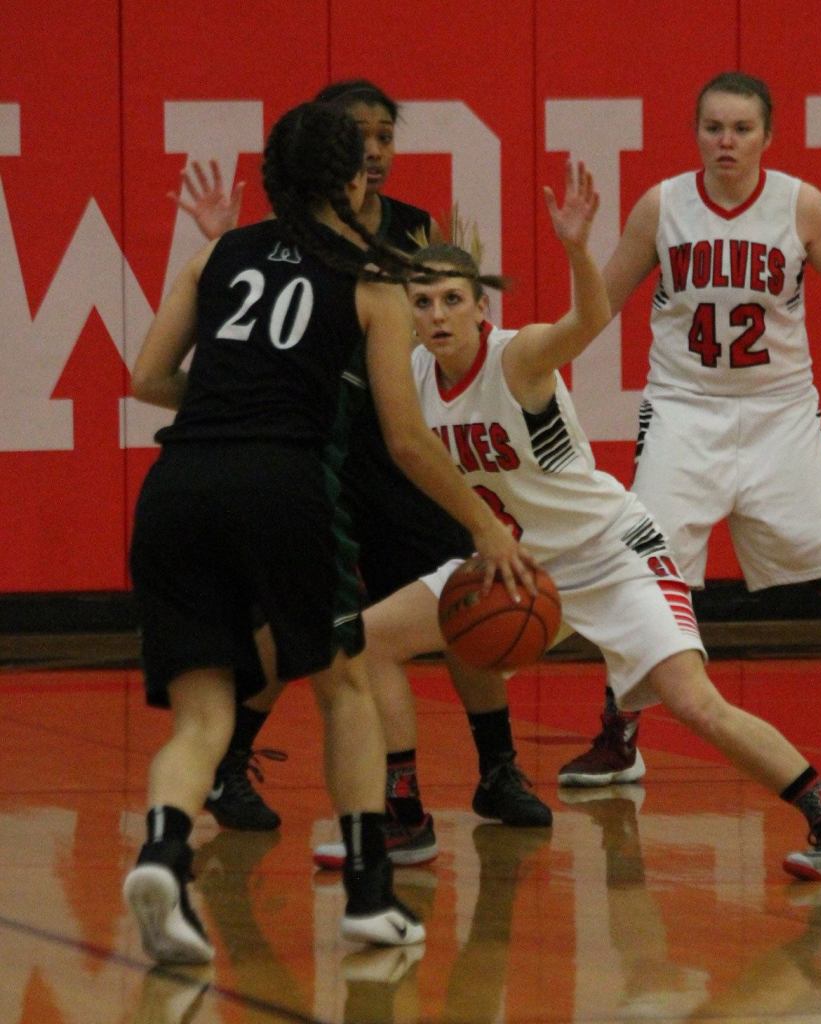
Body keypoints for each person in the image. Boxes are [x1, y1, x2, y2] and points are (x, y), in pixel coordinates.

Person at [359, 158, 821, 881]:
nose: (437, 315)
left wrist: (576, 249)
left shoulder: (520, 358)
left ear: (483, 308)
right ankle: (406, 816)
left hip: (613, 553)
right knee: (371, 641)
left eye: (453, 299)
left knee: (695, 704)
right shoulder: (409, 378)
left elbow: (591, 318)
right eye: (421, 303)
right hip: (518, 561)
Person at [122, 100, 532, 964]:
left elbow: (148, 376)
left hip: (177, 486)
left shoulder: (216, 252)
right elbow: (407, 439)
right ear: (351, 178)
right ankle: (370, 895)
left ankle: (162, 852)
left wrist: (237, 396)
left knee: (200, 719)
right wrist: (481, 524)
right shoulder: (371, 282)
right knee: (343, 686)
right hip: (283, 484)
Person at [558, 70, 821, 791]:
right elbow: (600, 306)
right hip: (683, 411)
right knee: (643, 572)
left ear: (768, 137)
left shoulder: (801, 206)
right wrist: (530, 347)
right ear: (696, 133)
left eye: (742, 128)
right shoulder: (663, 207)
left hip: (780, 415)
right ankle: (620, 735)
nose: (727, 141)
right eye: (714, 126)